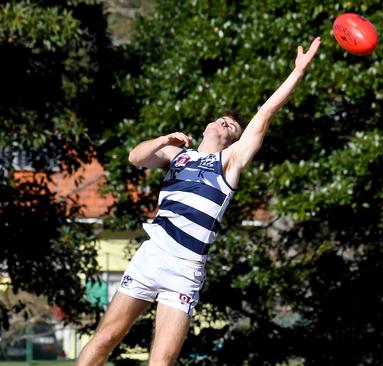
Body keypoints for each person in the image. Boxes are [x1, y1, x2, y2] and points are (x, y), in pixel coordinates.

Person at [76, 37, 321, 366]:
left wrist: (298, 71)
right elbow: (135, 157)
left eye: (232, 126)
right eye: (221, 119)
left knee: (161, 361)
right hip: (152, 254)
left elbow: (265, 114)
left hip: (185, 269)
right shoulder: (178, 156)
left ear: (233, 140)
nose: (225, 123)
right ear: (206, 126)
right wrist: (163, 139)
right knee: (106, 336)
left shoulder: (228, 163)